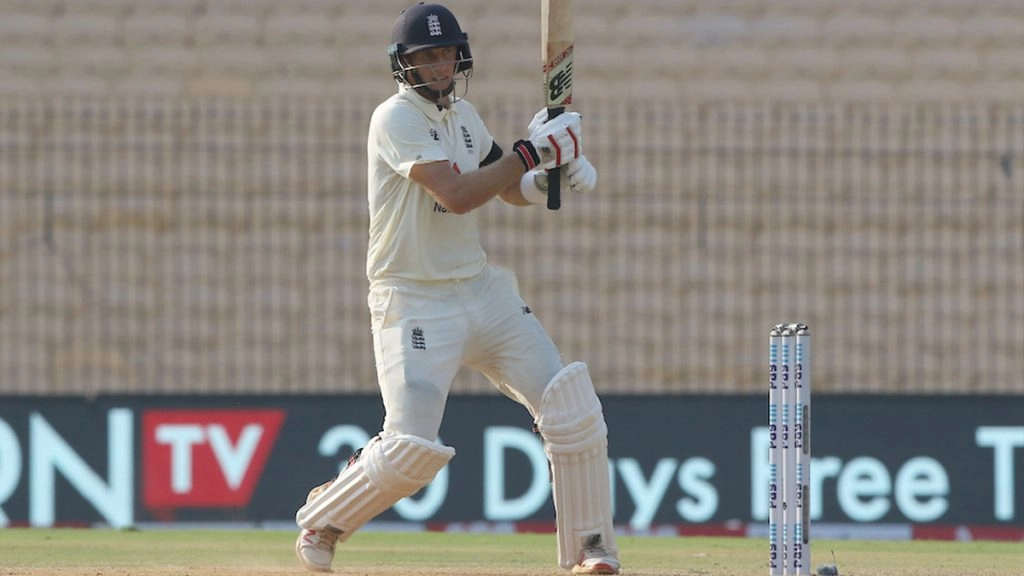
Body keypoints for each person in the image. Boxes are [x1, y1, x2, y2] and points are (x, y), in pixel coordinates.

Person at [294, 3, 619, 574]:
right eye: (426, 57)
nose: (439, 66)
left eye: (446, 54)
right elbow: (457, 195)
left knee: (571, 407)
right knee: (409, 451)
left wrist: (548, 177)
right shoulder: (394, 118)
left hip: (480, 290)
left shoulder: (464, 115)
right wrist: (533, 150)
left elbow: (504, 185)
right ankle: (325, 519)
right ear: (405, 65)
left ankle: (591, 549)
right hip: (413, 299)